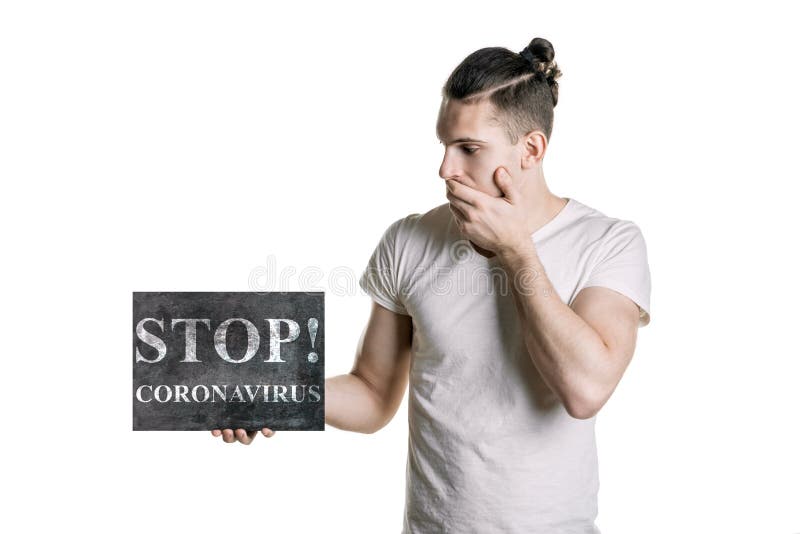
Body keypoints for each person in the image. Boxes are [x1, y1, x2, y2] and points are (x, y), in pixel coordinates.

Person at [212, 36, 651, 533]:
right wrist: (279, 395)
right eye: (445, 146)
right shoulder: (410, 240)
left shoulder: (609, 243)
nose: (446, 169)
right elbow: (374, 393)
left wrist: (515, 251)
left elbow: (586, 390)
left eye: (469, 149)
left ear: (531, 148)